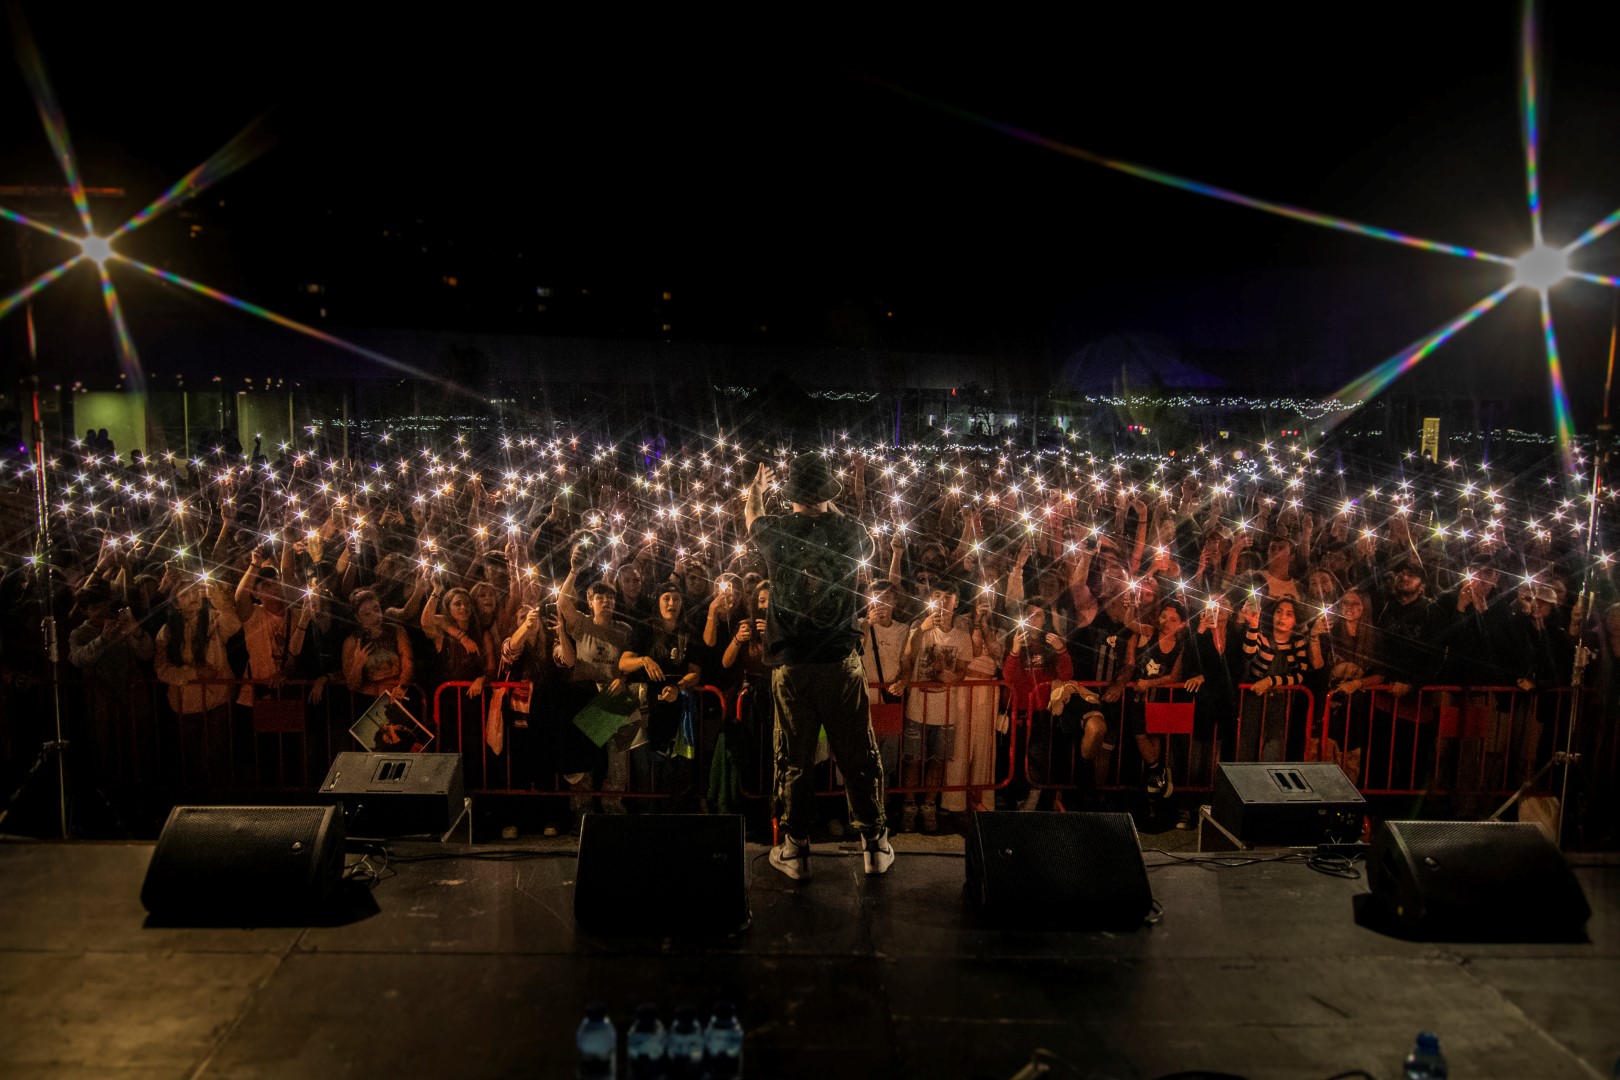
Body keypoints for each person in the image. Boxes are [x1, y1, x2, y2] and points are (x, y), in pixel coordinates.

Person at [747, 453, 893, 878]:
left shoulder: (776, 531)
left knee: (794, 756)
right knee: (857, 753)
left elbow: (752, 512)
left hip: (792, 666)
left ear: (791, 494)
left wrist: (757, 487)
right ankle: (874, 845)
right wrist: (830, 501)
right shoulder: (851, 531)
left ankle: (795, 850)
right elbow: (855, 532)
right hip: (839, 664)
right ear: (829, 493)